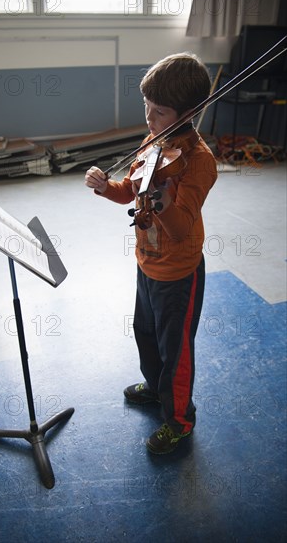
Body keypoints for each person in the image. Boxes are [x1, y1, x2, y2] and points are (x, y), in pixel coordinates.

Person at [84, 53, 217, 454]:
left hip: (178, 272)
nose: (148, 119)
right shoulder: (155, 142)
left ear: (188, 113)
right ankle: (155, 386)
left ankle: (179, 420)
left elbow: (179, 228)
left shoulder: (198, 163)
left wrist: (162, 200)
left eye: (158, 112)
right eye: (146, 108)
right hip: (147, 263)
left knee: (176, 349)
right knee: (146, 335)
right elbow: (129, 189)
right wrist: (107, 187)